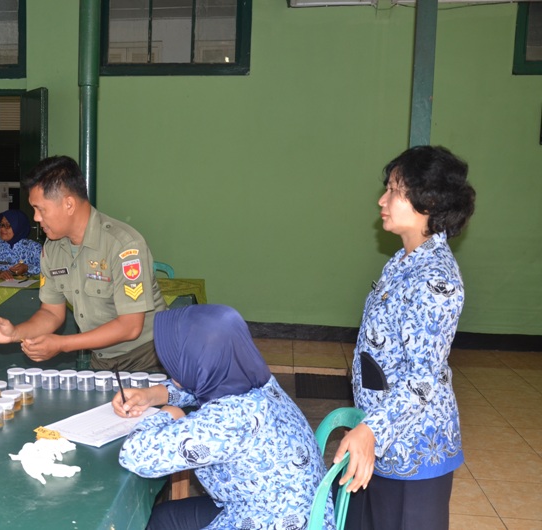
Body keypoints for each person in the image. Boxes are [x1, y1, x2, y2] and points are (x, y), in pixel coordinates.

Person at [335, 145, 476, 530]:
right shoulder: (404, 260)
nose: (382, 199)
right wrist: (366, 422)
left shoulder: (435, 279)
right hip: (385, 437)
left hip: (414, 447)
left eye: (395, 191)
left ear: (427, 201)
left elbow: (422, 379)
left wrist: (370, 429)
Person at [113, 304, 333, 530]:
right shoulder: (256, 381)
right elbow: (198, 386)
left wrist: (167, 414)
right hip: (293, 510)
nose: (172, 367)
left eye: (178, 360)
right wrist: (152, 395)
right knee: (163, 517)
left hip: (267, 521)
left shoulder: (227, 420)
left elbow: (135, 455)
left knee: (156, 521)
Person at [0, 155, 167, 373]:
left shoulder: (123, 245)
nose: (35, 218)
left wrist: (62, 344)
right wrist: (15, 333)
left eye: (40, 209)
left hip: (150, 359)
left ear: (69, 204)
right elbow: (52, 313)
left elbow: (130, 327)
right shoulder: (53, 248)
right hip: (102, 360)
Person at [0, 209, 42, 280]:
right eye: (1, 225)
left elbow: (45, 269)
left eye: (8, 225)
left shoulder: (34, 247)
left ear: (19, 226)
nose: (3, 229)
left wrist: (27, 268)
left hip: (26, 288)